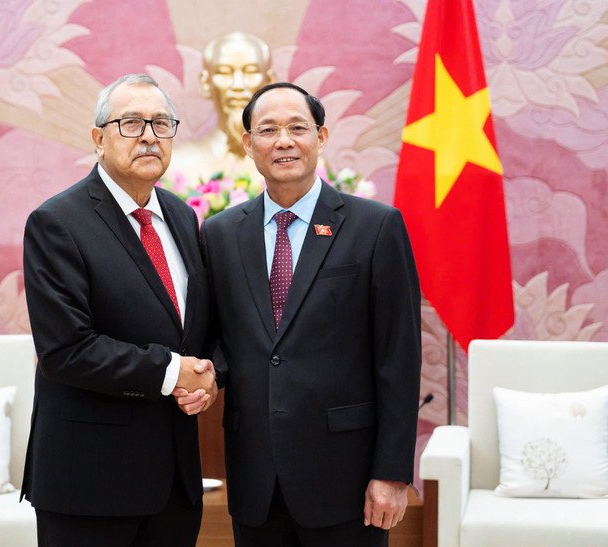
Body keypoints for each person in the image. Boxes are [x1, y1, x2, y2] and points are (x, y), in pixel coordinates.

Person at [190, 82, 422, 546]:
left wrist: (392, 473)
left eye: (298, 127)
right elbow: (218, 338)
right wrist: (204, 375)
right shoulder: (219, 234)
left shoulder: (375, 226)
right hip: (255, 477)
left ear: (321, 136)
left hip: (347, 479)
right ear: (247, 144)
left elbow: (399, 357)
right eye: (268, 130)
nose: (283, 141)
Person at [21, 73, 217, 547]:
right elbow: (65, 350)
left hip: (174, 483)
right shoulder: (57, 222)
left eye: (161, 123)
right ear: (98, 138)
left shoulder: (181, 214)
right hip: (90, 483)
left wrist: (209, 376)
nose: (149, 135)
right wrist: (173, 373)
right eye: (130, 123)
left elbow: (196, 329)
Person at [165, 32, 276, 185]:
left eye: (250, 72)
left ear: (269, 82)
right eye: (224, 72)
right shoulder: (177, 165)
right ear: (205, 83)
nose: (238, 85)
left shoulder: (294, 165)